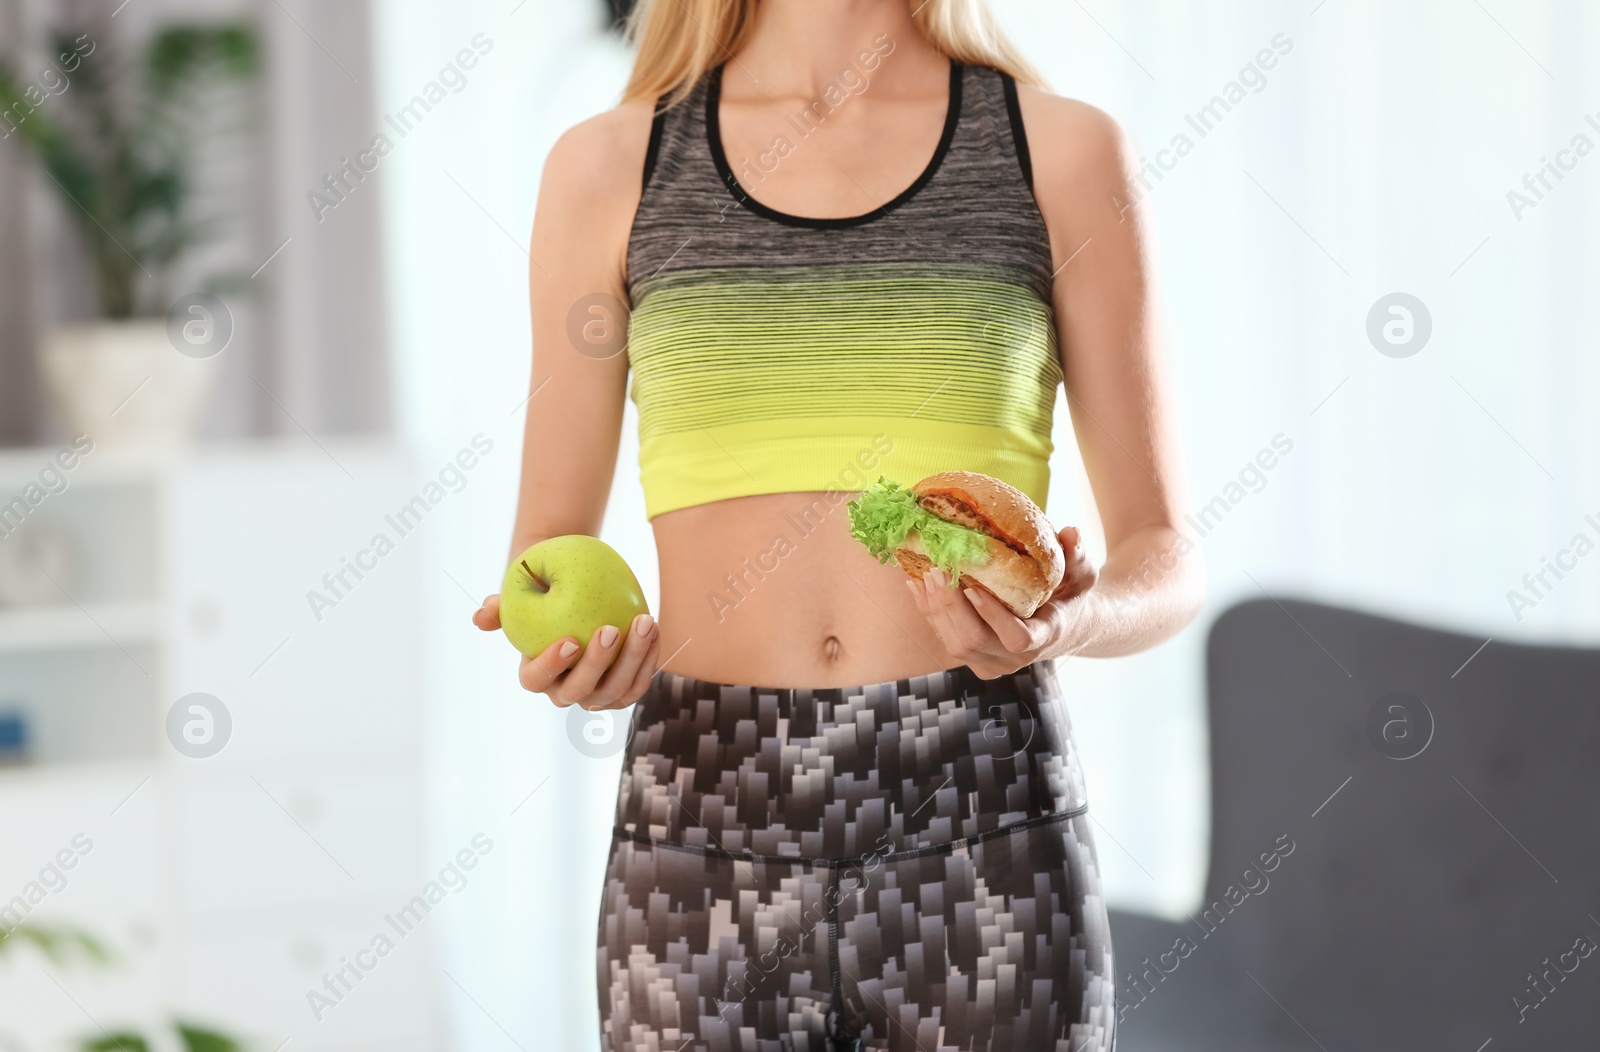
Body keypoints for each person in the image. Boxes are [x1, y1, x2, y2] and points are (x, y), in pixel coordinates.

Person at [473, 0, 1201, 1047]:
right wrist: (578, 656)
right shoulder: (607, 167)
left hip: (980, 814)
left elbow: (1163, 554)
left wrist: (1069, 624)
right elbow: (546, 554)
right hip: (699, 828)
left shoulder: (1060, 151)